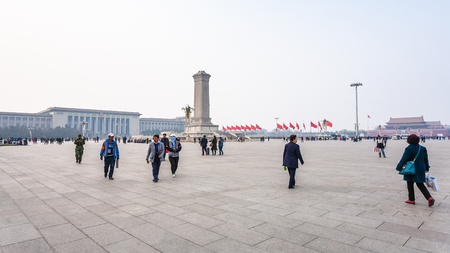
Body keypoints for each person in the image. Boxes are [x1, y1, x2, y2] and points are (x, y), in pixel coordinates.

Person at [396, 134, 434, 207]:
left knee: (410, 183)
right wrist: (427, 168)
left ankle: (411, 199)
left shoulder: (409, 148)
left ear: (409, 140)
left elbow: (404, 159)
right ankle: (429, 197)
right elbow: (426, 159)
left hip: (411, 168)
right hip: (421, 168)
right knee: (420, 184)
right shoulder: (422, 148)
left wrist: (398, 167)